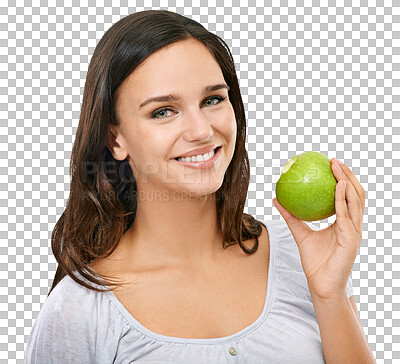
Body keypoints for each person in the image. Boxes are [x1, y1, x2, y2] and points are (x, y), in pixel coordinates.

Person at [24, 9, 376, 363]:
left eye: (212, 100)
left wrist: (330, 294)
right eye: (163, 111)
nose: (202, 131)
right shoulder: (79, 310)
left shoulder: (298, 256)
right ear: (115, 139)